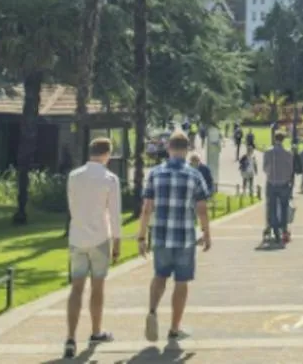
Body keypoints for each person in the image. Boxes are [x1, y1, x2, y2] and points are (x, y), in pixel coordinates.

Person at [138, 131, 211, 344]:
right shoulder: (194, 175)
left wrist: (141, 237)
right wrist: (206, 233)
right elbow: (202, 209)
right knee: (181, 282)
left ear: (169, 149)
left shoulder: (155, 173)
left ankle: (152, 310)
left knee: (159, 275)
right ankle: (174, 327)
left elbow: (146, 208)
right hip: (185, 237)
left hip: (160, 236)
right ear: (187, 150)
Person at [63, 137, 123, 358]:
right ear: (107, 154)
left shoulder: (74, 176)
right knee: (98, 287)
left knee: (76, 288)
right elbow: (114, 213)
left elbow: (72, 205)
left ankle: (70, 337)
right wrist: (117, 241)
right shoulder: (110, 179)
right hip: (99, 237)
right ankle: (96, 330)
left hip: (77, 236)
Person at [262, 132, 295, 245]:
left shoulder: (268, 152)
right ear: (283, 140)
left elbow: (265, 167)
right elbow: (291, 169)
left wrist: (271, 173)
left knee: (272, 207)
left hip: (271, 182)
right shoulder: (288, 153)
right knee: (284, 207)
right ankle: (284, 230)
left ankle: (274, 229)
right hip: (284, 183)